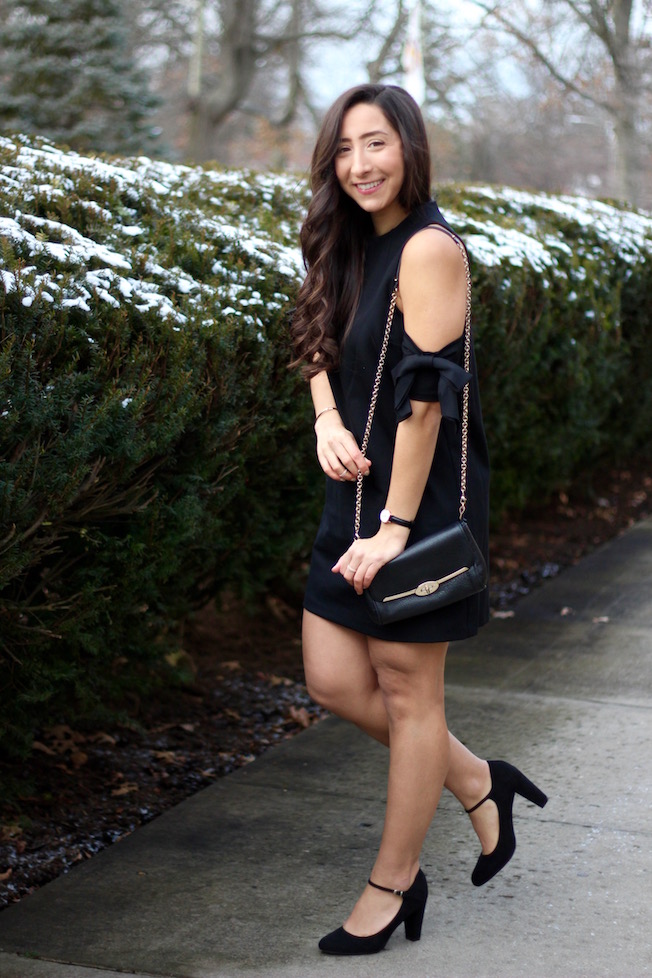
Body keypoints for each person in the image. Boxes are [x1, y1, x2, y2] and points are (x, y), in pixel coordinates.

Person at [290, 83, 547, 957]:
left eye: (376, 143)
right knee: (332, 679)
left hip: (418, 504)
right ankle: (477, 780)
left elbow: (427, 403)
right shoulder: (343, 237)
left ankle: (394, 884)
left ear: (409, 147)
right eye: (344, 148)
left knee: (408, 696)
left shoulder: (429, 250)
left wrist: (396, 528)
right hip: (352, 492)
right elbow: (313, 334)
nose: (359, 164)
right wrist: (325, 419)